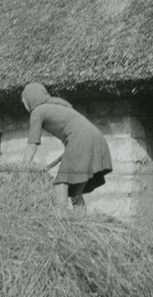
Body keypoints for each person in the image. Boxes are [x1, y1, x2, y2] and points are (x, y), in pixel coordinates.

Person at [22, 82, 113, 211]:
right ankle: (81, 221)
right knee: (76, 192)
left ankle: (61, 219)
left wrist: (23, 168)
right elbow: (73, 147)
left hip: (80, 139)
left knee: (61, 184)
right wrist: (51, 164)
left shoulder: (38, 111)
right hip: (96, 139)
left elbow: (32, 143)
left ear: (30, 99)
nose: (25, 106)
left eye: (24, 103)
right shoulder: (58, 106)